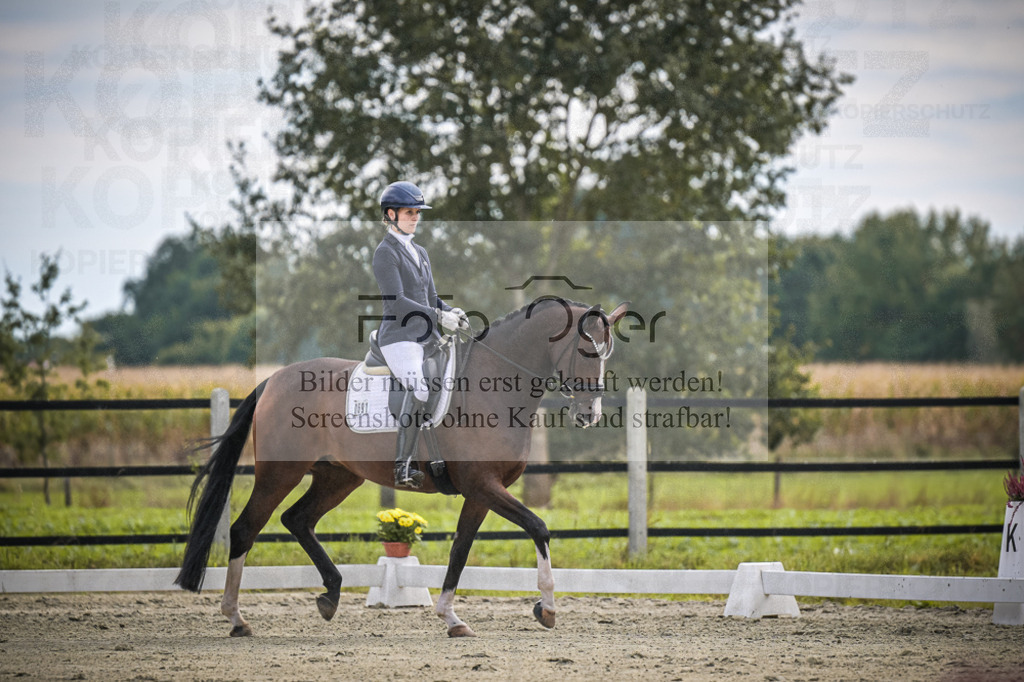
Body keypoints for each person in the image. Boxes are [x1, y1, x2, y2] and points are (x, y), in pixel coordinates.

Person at [372, 180, 468, 488]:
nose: (415, 217)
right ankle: (402, 467)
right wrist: (439, 316)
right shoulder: (385, 254)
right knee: (422, 389)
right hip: (399, 338)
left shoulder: (420, 252)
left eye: (417, 212)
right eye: (409, 212)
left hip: (425, 337)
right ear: (391, 215)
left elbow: (431, 297)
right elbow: (398, 303)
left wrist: (451, 311)